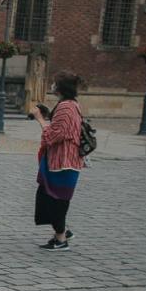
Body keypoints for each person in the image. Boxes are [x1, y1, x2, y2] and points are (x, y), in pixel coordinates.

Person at [31, 72, 84, 251]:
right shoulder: (71, 105)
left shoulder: (66, 107)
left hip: (63, 162)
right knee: (50, 196)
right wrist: (48, 117)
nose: (52, 85)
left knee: (56, 199)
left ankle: (61, 238)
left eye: (54, 83)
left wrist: (40, 119)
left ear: (61, 88)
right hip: (64, 161)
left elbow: (54, 135)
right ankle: (61, 233)